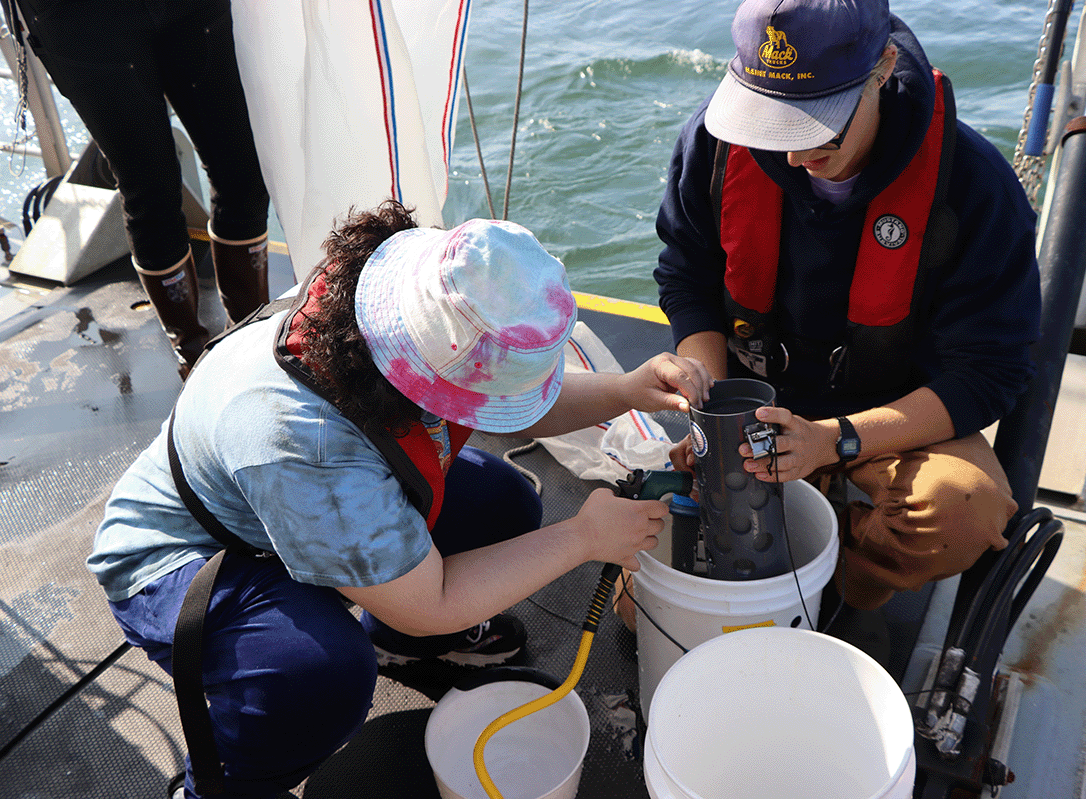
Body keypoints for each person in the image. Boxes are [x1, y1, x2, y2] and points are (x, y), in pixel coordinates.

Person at [87, 200, 712, 798]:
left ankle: (397, 642)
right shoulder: (306, 438)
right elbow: (431, 600)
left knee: (505, 508)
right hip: (188, 560)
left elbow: (521, 405)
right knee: (321, 674)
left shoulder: (391, 314)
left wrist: (627, 390)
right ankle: (226, 785)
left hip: (291, 500)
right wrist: (583, 538)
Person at [651, 0, 1041, 654]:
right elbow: (686, 274)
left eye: (820, 125)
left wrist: (836, 441)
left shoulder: (975, 185)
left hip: (885, 418)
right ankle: (779, 529)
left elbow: (991, 371)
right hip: (753, 402)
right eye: (770, 121)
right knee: (645, 610)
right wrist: (710, 405)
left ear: (882, 69)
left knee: (964, 511)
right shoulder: (713, 145)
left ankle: (850, 584)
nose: (798, 154)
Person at [12, 0, 272, 376]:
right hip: (81, 20)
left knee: (244, 173)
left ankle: (253, 338)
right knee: (150, 189)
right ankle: (194, 357)